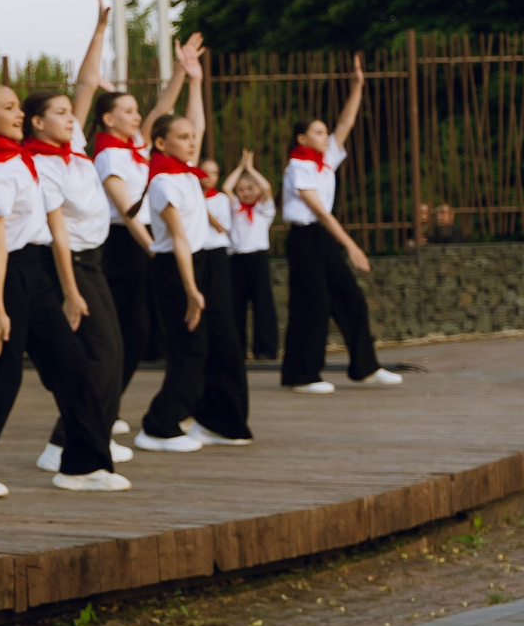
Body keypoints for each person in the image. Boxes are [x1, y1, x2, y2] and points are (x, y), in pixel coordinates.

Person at [0, 6, 133, 491]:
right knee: (3, 381)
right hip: (9, 279)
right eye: (12, 110)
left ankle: (83, 465)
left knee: (75, 372)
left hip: (39, 277)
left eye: (20, 109)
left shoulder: (16, 155)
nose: (19, 113)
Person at [136, 46, 255, 449]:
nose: (191, 142)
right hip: (176, 269)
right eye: (181, 138)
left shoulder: (187, 174)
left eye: (191, 138)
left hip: (204, 263)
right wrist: (191, 289)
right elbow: (180, 240)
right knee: (191, 348)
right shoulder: (163, 182)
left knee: (226, 344)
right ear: (160, 143)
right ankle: (158, 426)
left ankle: (220, 422)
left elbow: (199, 124)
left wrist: (197, 82)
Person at [87, 39, 195, 430]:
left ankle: (109, 403)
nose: (137, 117)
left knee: (141, 330)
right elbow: (126, 212)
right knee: (127, 330)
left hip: (144, 239)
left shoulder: (132, 146)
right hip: (124, 244)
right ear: (107, 119)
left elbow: (161, 109)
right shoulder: (108, 155)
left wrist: (183, 70)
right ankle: (104, 405)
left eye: (136, 111)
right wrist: (154, 250)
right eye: (127, 111)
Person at [281, 56, 401, 392]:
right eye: (318, 132)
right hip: (305, 238)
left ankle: (365, 367)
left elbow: (346, 123)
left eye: (324, 131)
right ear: (302, 139)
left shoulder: (325, 159)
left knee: (351, 298)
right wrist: (351, 245)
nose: (326, 136)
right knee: (313, 305)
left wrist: (358, 86)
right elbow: (320, 212)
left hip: (323, 238)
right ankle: (301, 375)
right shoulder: (297, 167)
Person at [222, 151, 278, 361]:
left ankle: (265, 349)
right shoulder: (235, 208)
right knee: (236, 305)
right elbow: (226, 188)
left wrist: (251, 169)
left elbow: (267, 188)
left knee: (263, 304)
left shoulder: (264, 210)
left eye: (250, 189)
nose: (246, 193)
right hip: (237, 260)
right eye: (242, 189)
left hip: (258, 259)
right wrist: (240, 167)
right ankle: (237, 348)